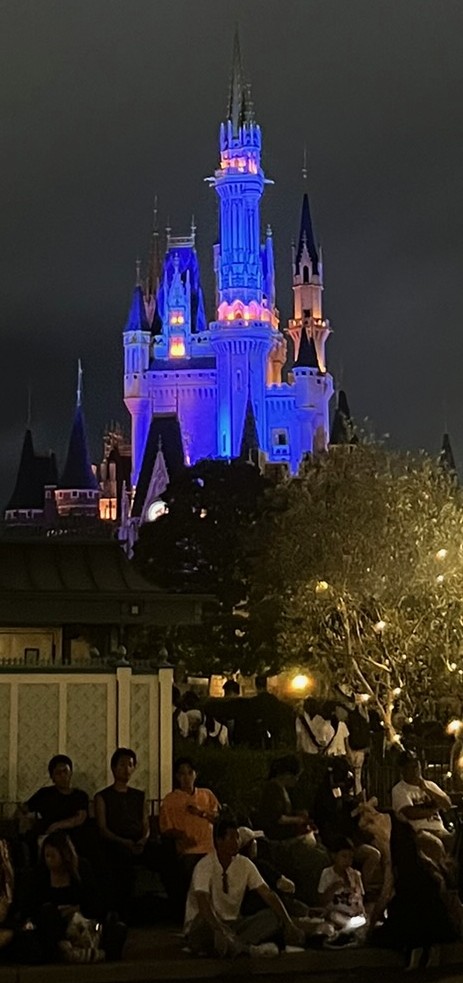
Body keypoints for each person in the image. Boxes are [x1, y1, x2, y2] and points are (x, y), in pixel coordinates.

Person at [184, 818, 305, 957]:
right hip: (209, 925)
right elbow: (203, 901)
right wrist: (218, 928)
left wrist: (289, 923)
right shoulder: (204, 866)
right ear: (219, 840)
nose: (236, 842)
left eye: (237, 837)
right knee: (203, 926)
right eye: (231, 837)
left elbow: (268, 894)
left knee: (272, 917)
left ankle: (234, 946)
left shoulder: (245, 864)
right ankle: (245, 948)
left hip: (234, 925)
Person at [18, 830, 103, 963]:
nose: (49, 860)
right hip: (51, 926)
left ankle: (85, 951)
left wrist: (75, 910)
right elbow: (30, 907)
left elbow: (94, 901)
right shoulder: (40, 875)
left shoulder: (81, 870)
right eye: (47, 856)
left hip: (80, 924)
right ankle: (64, 951)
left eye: (53, 856)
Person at [257, 755, 329, 904]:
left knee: (320, 850)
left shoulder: (280, 789)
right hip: (279, 842)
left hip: (287, 837)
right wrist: (299, 820)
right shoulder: (273, 789)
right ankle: (312, 898)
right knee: (318, 858)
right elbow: (277, 818)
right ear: (287, 774)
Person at [94, 747, 157, 917]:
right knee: (120, 861)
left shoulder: (139, 795)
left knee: (165, 854)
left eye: (130, 765)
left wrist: (143, 840)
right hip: (115, 842)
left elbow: (145, 823)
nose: (126, 769)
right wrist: (124, 842)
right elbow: (102, 828)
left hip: (139, 841)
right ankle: (124, 913)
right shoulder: (102, 796)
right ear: (113, 768)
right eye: (122, 765)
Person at [159, 757, 220, 914]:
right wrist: (182, 835)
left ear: (195, 775)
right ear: (177, 777)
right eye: (182, 774)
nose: (186, 778)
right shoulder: (170, 800)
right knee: (194, 873)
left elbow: (219, 817)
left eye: (189, 773)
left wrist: (201, 812)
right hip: (189, 849)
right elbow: (165, 828)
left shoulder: (206, 795)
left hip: (210, 847)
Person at [26, 755, 89, 858]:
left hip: (74, 837)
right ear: (52, 777)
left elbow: (80, 818)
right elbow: (25, 808)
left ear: (71, 773)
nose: (63, 776)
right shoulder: (44, 794)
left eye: (65, 771)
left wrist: (57, 825)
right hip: (49, 837)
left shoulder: (80, 795)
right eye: (58, 773)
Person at [391, 752, 452, 850]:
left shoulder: (430, 785)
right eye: (410, 767)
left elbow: (447, 804)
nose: (415, 770)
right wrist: (434, 810)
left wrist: (427, 789)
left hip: (440, 829)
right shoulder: (399, 789)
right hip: (419, 832)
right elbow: (411, 813)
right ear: (402, 770)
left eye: (416, 766)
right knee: (435, 844)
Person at [317, 836, 366, 948]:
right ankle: (345, 933)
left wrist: (354, 889)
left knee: (361, 920)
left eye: (350, 858)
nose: (347, 861)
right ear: (334, 856)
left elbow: (360, 899)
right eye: (344, 856)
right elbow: (321, 900)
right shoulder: (327, 874)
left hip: (352, 915)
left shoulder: (355, 875)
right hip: (336, 914)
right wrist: (333, 887)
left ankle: (346, 932)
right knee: (332, 918)